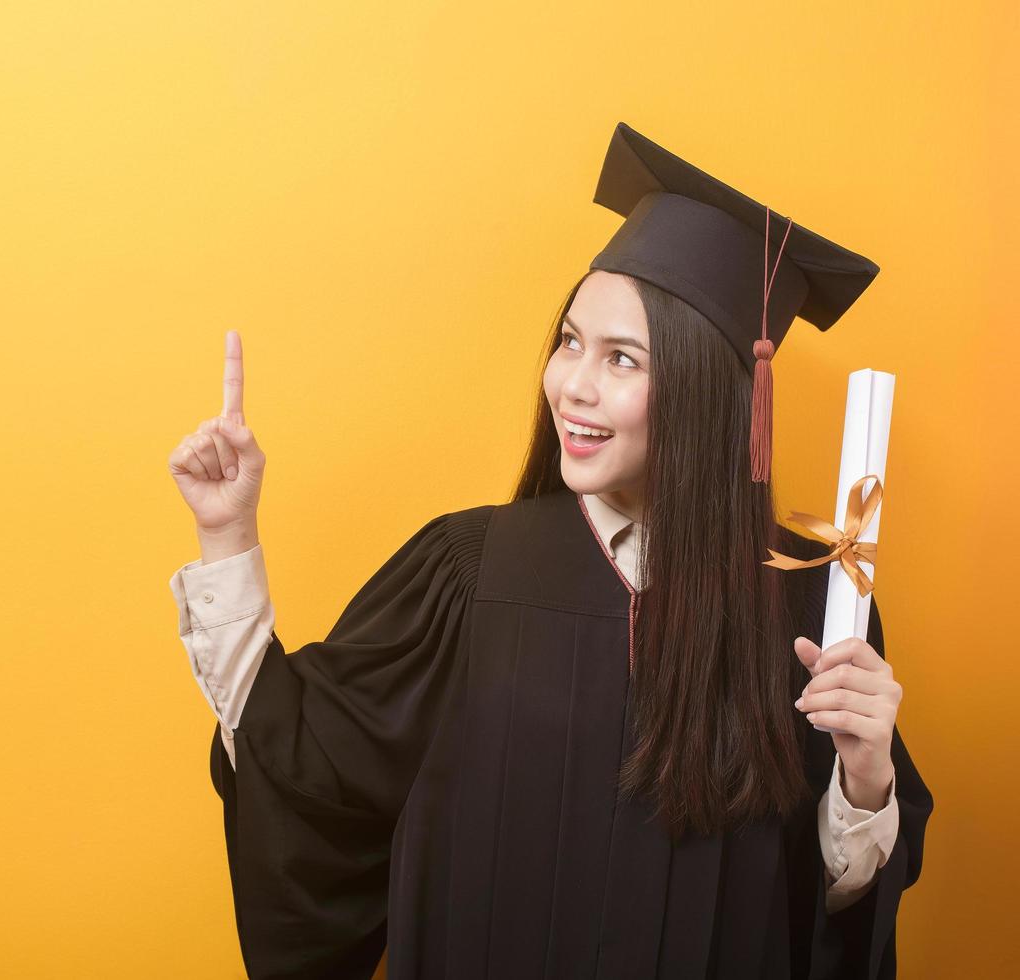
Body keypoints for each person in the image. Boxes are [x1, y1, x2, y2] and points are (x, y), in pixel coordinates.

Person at [166, 122, 931, 979]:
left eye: (621, 359)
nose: (573, 383)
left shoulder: (808, 602)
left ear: (706, 393)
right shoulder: (470, 572)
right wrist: (226, 534)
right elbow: (296, 761)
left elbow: (824, 904)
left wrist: (865, 783)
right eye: (569, 341)